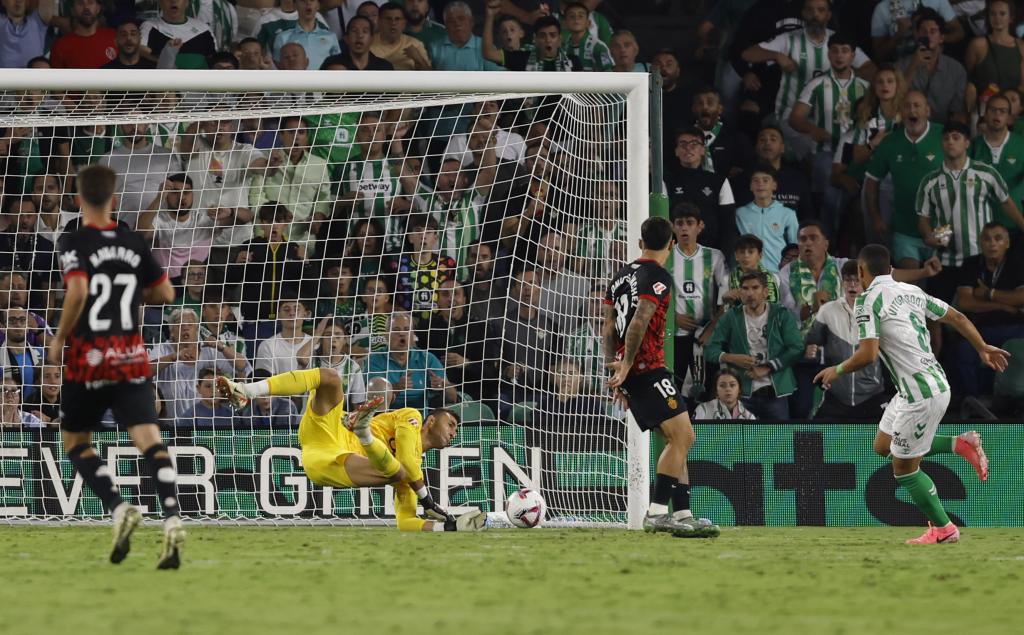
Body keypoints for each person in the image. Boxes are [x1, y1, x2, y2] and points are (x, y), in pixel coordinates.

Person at [814, 244, 1003, 544]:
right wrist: (981, 347)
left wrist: (835, 371)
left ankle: (944, 529)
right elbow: (957, 317)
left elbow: (868, 355)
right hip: (917, 388)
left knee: (902, 468)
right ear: (890, 269)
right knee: (883, 445)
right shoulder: (911, 291)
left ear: (862, 271)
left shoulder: (867, 300)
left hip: (921, 394)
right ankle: (960, 444)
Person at [48, 164, 184, 567]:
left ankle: (118, 506)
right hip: (131, 355)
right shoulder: (134, 242)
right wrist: (131, 293)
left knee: (76, 442)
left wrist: (59, 338)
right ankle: (173, 516)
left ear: (77, 198)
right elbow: (167, 292)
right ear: (114, 199)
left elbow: (78, 288)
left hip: (90, 357)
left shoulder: (72, 240)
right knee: (149, 440)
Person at [217, 370, 487, 532]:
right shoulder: (411, 416)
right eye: (451, 424)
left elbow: (405, 521)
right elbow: (406, 456)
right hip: (330, 428)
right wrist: (428, 500)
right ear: (431, 420)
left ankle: (363, 431)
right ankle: (246, 391)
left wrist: (446, 526)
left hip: (328, 460)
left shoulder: (414, 469)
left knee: (398, 474)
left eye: (455, 430)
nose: (453, 433)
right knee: (330, 378)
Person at [605, 216, 719, 538]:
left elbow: (607, 327)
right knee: (683, 437)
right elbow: (640, 320)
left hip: (634, 369)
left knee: (678, 438)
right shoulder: (658, 275)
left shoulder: (620, 276)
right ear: (671, 244)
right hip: (645, 367)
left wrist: (613, 368)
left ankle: (682, 514)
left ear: (640, 243)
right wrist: (627, 365)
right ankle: (657, 514)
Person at [917, 120, 1024, 301]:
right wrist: (928, 236)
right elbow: (923, 218)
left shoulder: (986, 173)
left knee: (976, 310)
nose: (950, 142)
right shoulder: (930, 181)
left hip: (979, 257)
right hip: (945, 259)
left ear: (967, 143)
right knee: (936, 314)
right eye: (946, 139)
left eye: (956, 138)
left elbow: (1006, 202)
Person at [705, 271, 804, 420]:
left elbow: (797, 348)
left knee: (779, 442)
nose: (749, 293)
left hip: (775, 393)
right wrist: (732, 358)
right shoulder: (730, 317)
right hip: (742, 394)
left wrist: (767, 367)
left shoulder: (781, 315)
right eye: (745, 288)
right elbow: (710, 351)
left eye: (755, 288)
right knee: (738, 442)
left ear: (765, 292)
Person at [864, 91, 944, 269]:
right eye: (907, 106)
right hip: (904, 229)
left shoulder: (945, 136)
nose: (912, 110)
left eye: (917, 106)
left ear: (927, 111)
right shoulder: (890, 142)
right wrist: (876, 217)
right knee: (909, 287)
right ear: (901, 112)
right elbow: (871, 181)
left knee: (939, 285)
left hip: (941, 227)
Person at [805, 261, 890, 420]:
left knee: (889, 439)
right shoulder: (827, 311)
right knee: (811, 440)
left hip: (872, 395)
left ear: (864, 281)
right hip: (835, 396)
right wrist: (812, 352)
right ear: (841, 281)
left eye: (857, 280)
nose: (852, 285)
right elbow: (812, 343)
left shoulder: (880, 310)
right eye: (847, 280)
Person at [951, 222, 1024, 395]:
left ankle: (1015, 402)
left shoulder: (1018, 263)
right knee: (962, 351)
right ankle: (973, 403)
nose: (992, 243)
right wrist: (1003, 305)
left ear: (1007, 243)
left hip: (1015, 328)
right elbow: (965, 303)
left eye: (998, 238)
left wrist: (987, 294)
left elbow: (1021, 298)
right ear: (980, 243)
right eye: (987, 239)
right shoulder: (970, 265)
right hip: (980, 328)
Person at [670, 203, 729, 402]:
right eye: (679, 223)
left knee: (708, 390)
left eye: (689, 223)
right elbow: (655, 296)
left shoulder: (714, 256)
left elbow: (726, 298)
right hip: (674, 336)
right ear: (673, 227)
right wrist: (673, 317)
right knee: (673, 389)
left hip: (705, 335)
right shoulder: (665, 256)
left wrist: (711, 329)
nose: (684, 228)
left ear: (700, 226)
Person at [664, 128, 735, 252]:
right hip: (674, 253)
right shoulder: (666, 181)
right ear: (676, 151)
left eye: (694, 144)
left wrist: (725, 255)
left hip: (712, 253)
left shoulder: (720, 181)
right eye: (683, 144)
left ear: (703, 150)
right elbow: (662, 220)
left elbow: (728, 224)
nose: (688, 148)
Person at [898, 8, 968, 125]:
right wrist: (913, 65)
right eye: (923, 31)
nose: (928, 35)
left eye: (933, 31)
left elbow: (957, 111)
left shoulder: (956, 70)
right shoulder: (902, 65)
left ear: (941, 38)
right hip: (909, 127)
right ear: (917, 36)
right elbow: (896, 97)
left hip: (941, 130)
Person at [969, 92, 1024, 231]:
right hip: (982, 226)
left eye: (1002, 111)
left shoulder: (1021, 144)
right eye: (993, 110)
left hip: (1016, 225)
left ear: (1010, 118)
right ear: (985, 114)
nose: (997, 115)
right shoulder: (973, 146)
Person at [735, 164, 800, 272]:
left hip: (779, 273)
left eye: (765, 180)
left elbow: (795, 247)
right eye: (756, 181)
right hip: (749, 274)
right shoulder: (740, 213)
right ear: (751, 186)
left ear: (774, 185)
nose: (760, 184)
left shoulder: (787, 213)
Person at [964, 0, 1024, 115]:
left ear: (1011, 18)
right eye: (993, 13)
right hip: (984, 109)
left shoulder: (1021, 47)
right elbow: (967, 78)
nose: (997, 18)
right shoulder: (977, 45)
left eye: (1002, 14)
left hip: (1012, 110)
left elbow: (1022, 86)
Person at [483, 5, 581, 72]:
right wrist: (490, 16)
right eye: (543, 35)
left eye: (552, 35)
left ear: (560, 40)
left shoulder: (573, 61)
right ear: (536, 40)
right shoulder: (522, 58)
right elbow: (489, 53)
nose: (548, 40)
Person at [141, 0, 217, 69]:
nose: (174, 1)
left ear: (187, 2)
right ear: (160, 2)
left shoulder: (204, 29)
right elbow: (141, 52)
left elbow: (214, 59)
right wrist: (168, 63)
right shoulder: (150, 26)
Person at [271, 0, 341, 70]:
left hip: (323, 80)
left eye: (312, 0)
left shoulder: (331, 37)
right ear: (295, 6)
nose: (308, 3)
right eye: (303, 0)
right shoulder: (282, 37)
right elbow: (277, 68)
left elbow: (337, 67)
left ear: (318, 5)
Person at [49, 0, 118, 69]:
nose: (86, 7)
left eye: (90, 2)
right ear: (73, 11)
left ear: (98, 8)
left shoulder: (114, 36)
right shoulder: (61, 45)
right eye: (80, 3)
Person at [371, 3, 431, 70]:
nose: (393, 23)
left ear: (404, 23)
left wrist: (418, 59)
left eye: (397, 19)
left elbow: (430, 76)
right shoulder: (368, 44)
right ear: (379, 21)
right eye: (388, 19)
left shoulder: (416, 45)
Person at [561, 2, 612, 72]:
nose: (576, 19)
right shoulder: (564, 49)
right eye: (572, 16)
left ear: (588, 23)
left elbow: (608, 75)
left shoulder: (598, 47)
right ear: (564, 23)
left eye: (580, 16)